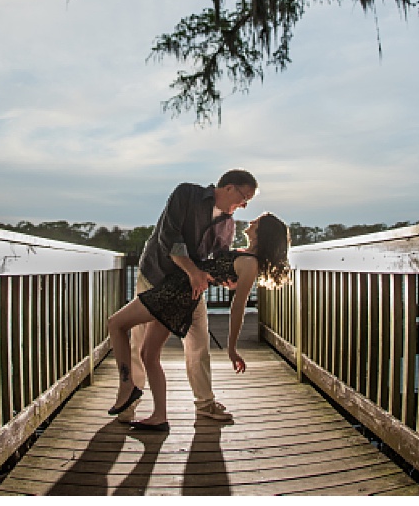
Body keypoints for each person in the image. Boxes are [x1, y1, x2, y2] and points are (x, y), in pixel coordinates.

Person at [107, 212, 292, 430]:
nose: (251, 222)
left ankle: (128, 386)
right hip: (178, 291)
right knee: (148, 354)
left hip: (177, 295)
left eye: (257, 222)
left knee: (116, 324)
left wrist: (232, 348)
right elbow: (219, 270)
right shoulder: (244, 255)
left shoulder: (250, 264)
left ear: (263, 233)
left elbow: (238, 307)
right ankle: (159, 416)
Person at [111, 170, 259, 424]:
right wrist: (192, 271)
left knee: (199, 343)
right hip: (155, 275)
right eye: (244, 197)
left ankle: (205, 404)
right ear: (229, 188)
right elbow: (169, 237)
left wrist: (228, 279)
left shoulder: (228, 224)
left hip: (188, 289)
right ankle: (128, 403)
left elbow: (217, 257)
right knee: (138, 345)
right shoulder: (186, 194)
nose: (244, 205)